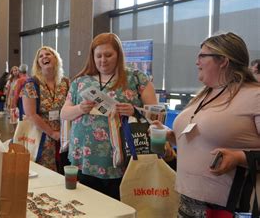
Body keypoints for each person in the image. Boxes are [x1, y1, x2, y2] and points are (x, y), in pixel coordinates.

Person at [152, 32, 260, 216]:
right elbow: (200, 138)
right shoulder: (205, 94)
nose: (196, 62)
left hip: (230, 206)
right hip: (189, 200)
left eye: (202, 56)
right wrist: (170, 136)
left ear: (224, 60)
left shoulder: (254, 96)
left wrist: (239, 157)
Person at [60, 33, 158, 200]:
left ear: (118, 55)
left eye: (108, 55)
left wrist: (134, 110)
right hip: (85, 158)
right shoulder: (80, 82)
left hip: (122, 158)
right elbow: (64, 113)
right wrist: (80, 108)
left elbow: (156, 115)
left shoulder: (136, 78)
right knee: (87, 206)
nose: (103, 60)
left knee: (119, 204)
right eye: (98, 56)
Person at [22, 46, 70, 173]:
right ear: (38, 63)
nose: (44, 57)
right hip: (41, 138)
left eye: (48, 54)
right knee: (45, 174)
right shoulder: (31, 84)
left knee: (63, 173)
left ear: (56, 58)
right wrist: (52, 133)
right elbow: (31, 114)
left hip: (64, 138)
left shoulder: (66, 83)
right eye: (41, 56)